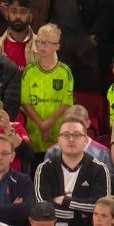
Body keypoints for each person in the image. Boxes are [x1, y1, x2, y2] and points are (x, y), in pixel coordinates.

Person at [34, 118, 111, 226]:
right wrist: (80, 214)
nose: (71, 139)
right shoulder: (44, 168)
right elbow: (43, 208)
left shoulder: (99, 169)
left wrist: (65, 201)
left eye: (76, 135)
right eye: (65, 135)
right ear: (58, 140)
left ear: (85, 140)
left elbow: (101, 207)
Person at [19, 24, 72, 155]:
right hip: (34, 134)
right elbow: (25, 102)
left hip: (58, 133)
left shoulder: (64, 72)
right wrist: (41, 124)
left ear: (57, 46)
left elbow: (66, 102)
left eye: (47, 43)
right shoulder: (29, 71)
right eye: (40, 42)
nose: (42, 46)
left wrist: (49, 123)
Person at [44, 105, 114, 177]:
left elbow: (109, 183)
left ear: (88, 123)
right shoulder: (53, 152)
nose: (74, 128)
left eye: (79, 124)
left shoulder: (103, 153)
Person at [0, 0, 35, 70]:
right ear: (7, 13)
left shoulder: (43, 47)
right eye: (14, 11)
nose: (18, 16)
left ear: (30, 16)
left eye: (23, 12)